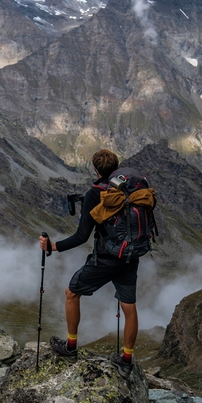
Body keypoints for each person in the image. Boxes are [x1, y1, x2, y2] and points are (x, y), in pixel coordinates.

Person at [39, 149, 140, 379]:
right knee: (129, 306)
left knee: (71, 293)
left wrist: (52, 246)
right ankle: (126, 361)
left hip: (106, 258)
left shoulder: (96, 194)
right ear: (117, 167)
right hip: (131, 255)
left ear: (95, 169)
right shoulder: (132, 187)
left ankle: (71, 347)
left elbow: (81, 237)